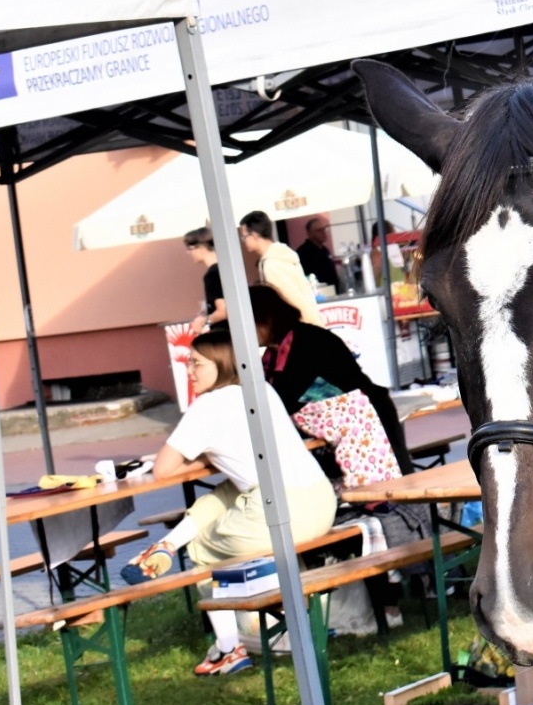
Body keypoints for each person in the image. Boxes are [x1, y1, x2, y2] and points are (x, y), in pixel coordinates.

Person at [122, 330, 337, 677]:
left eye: (197, 363)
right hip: (321, 502)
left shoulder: (206, 407)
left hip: (282, 513)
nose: (189, 370)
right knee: (229, 492)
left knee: (201, 549)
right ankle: (166, 544)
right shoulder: (262, 390)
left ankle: (228, 650)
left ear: (222, 364)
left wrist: (196, 455)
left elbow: (163, 469)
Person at [248, 284, 413, 475]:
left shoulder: (306, 342)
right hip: (343, 430)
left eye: (249, 324)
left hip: (367, 423)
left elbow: (285, 399)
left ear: (266, 320)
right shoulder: (273, 354)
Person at [239, 210, 323, 325]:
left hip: (300, 328)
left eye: (244, 237)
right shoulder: (280, 256)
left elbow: (287, 302)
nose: (244, 242)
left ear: (254, 235)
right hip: (308, 324)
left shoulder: (272, 264)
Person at [183, 227, 226, 331]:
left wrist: (204, 321)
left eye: (190, 249)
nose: (189, 253)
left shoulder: (212, 275)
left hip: (224, 333)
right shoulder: (224, 269)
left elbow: (223, 311)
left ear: (201, 248)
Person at [297, 216, 340, 292]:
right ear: (310, 233)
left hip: (332, 291)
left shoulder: (325, 250)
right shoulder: (303, 253)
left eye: (324, 229)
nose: (324, 232)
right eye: (319, 230)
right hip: (318, 293)